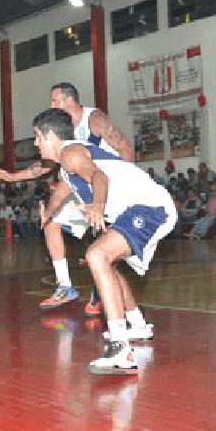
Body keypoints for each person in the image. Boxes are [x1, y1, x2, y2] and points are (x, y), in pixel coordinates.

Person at [31, 108, 175, 374]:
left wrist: (97, 205)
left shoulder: (71, 154)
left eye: (37, 137)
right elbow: (61, 194)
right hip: (138, 210)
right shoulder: (66, 169)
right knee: (104, 262)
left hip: (150, 207)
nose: (35, 143)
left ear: (50, 135)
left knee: (97, 255)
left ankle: (120, 348)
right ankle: (138, 325)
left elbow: (100, 177)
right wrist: (47, 216)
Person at [0, 82, 135, 318]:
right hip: (81, 187)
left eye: (55, 100)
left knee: (102, 242)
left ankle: (103, 293)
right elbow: (45, 166)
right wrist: (11, 176)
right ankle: (65, 286)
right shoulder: (62, 133)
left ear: (70, 101)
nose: (51, 105)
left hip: (106, 185)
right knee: (50, 222)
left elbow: (124, 146)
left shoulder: (94, 119)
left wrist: (128, 185)